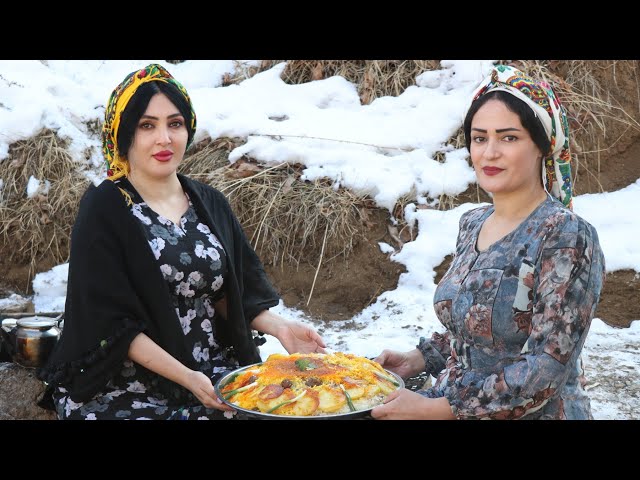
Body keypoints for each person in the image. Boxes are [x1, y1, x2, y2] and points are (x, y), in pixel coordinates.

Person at [37, 64, 326, 420]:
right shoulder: (105, 207)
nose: (165, 139)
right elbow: (112, 327)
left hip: (208, 370)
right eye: (147, 126)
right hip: (127, 383)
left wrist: (282, 328)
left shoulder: (210, 202)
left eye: (175, 124)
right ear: (123, 133)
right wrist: (188, 378)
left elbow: (227, 294)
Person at [371, 65, 606, 420]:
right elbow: (475, 323)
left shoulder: (565, 236)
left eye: (508, 137)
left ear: (543, 145)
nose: (489, 152)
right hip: (449, 400)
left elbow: (547, 366)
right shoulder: (473, 222)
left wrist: (440, 409)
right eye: (480, 138)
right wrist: (419, 358)